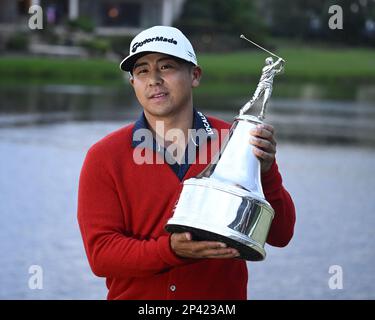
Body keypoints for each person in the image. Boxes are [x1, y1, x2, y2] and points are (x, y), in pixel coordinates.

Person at [77, 26, 296, 300]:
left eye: (166, 66)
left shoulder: (236, 140)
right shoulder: (104, 156)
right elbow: (102, 256)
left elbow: (280, 234)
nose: (154, 79)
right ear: (133, 82)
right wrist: (172, 250)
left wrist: (267, 172)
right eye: (142, 70)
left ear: (195, 75)